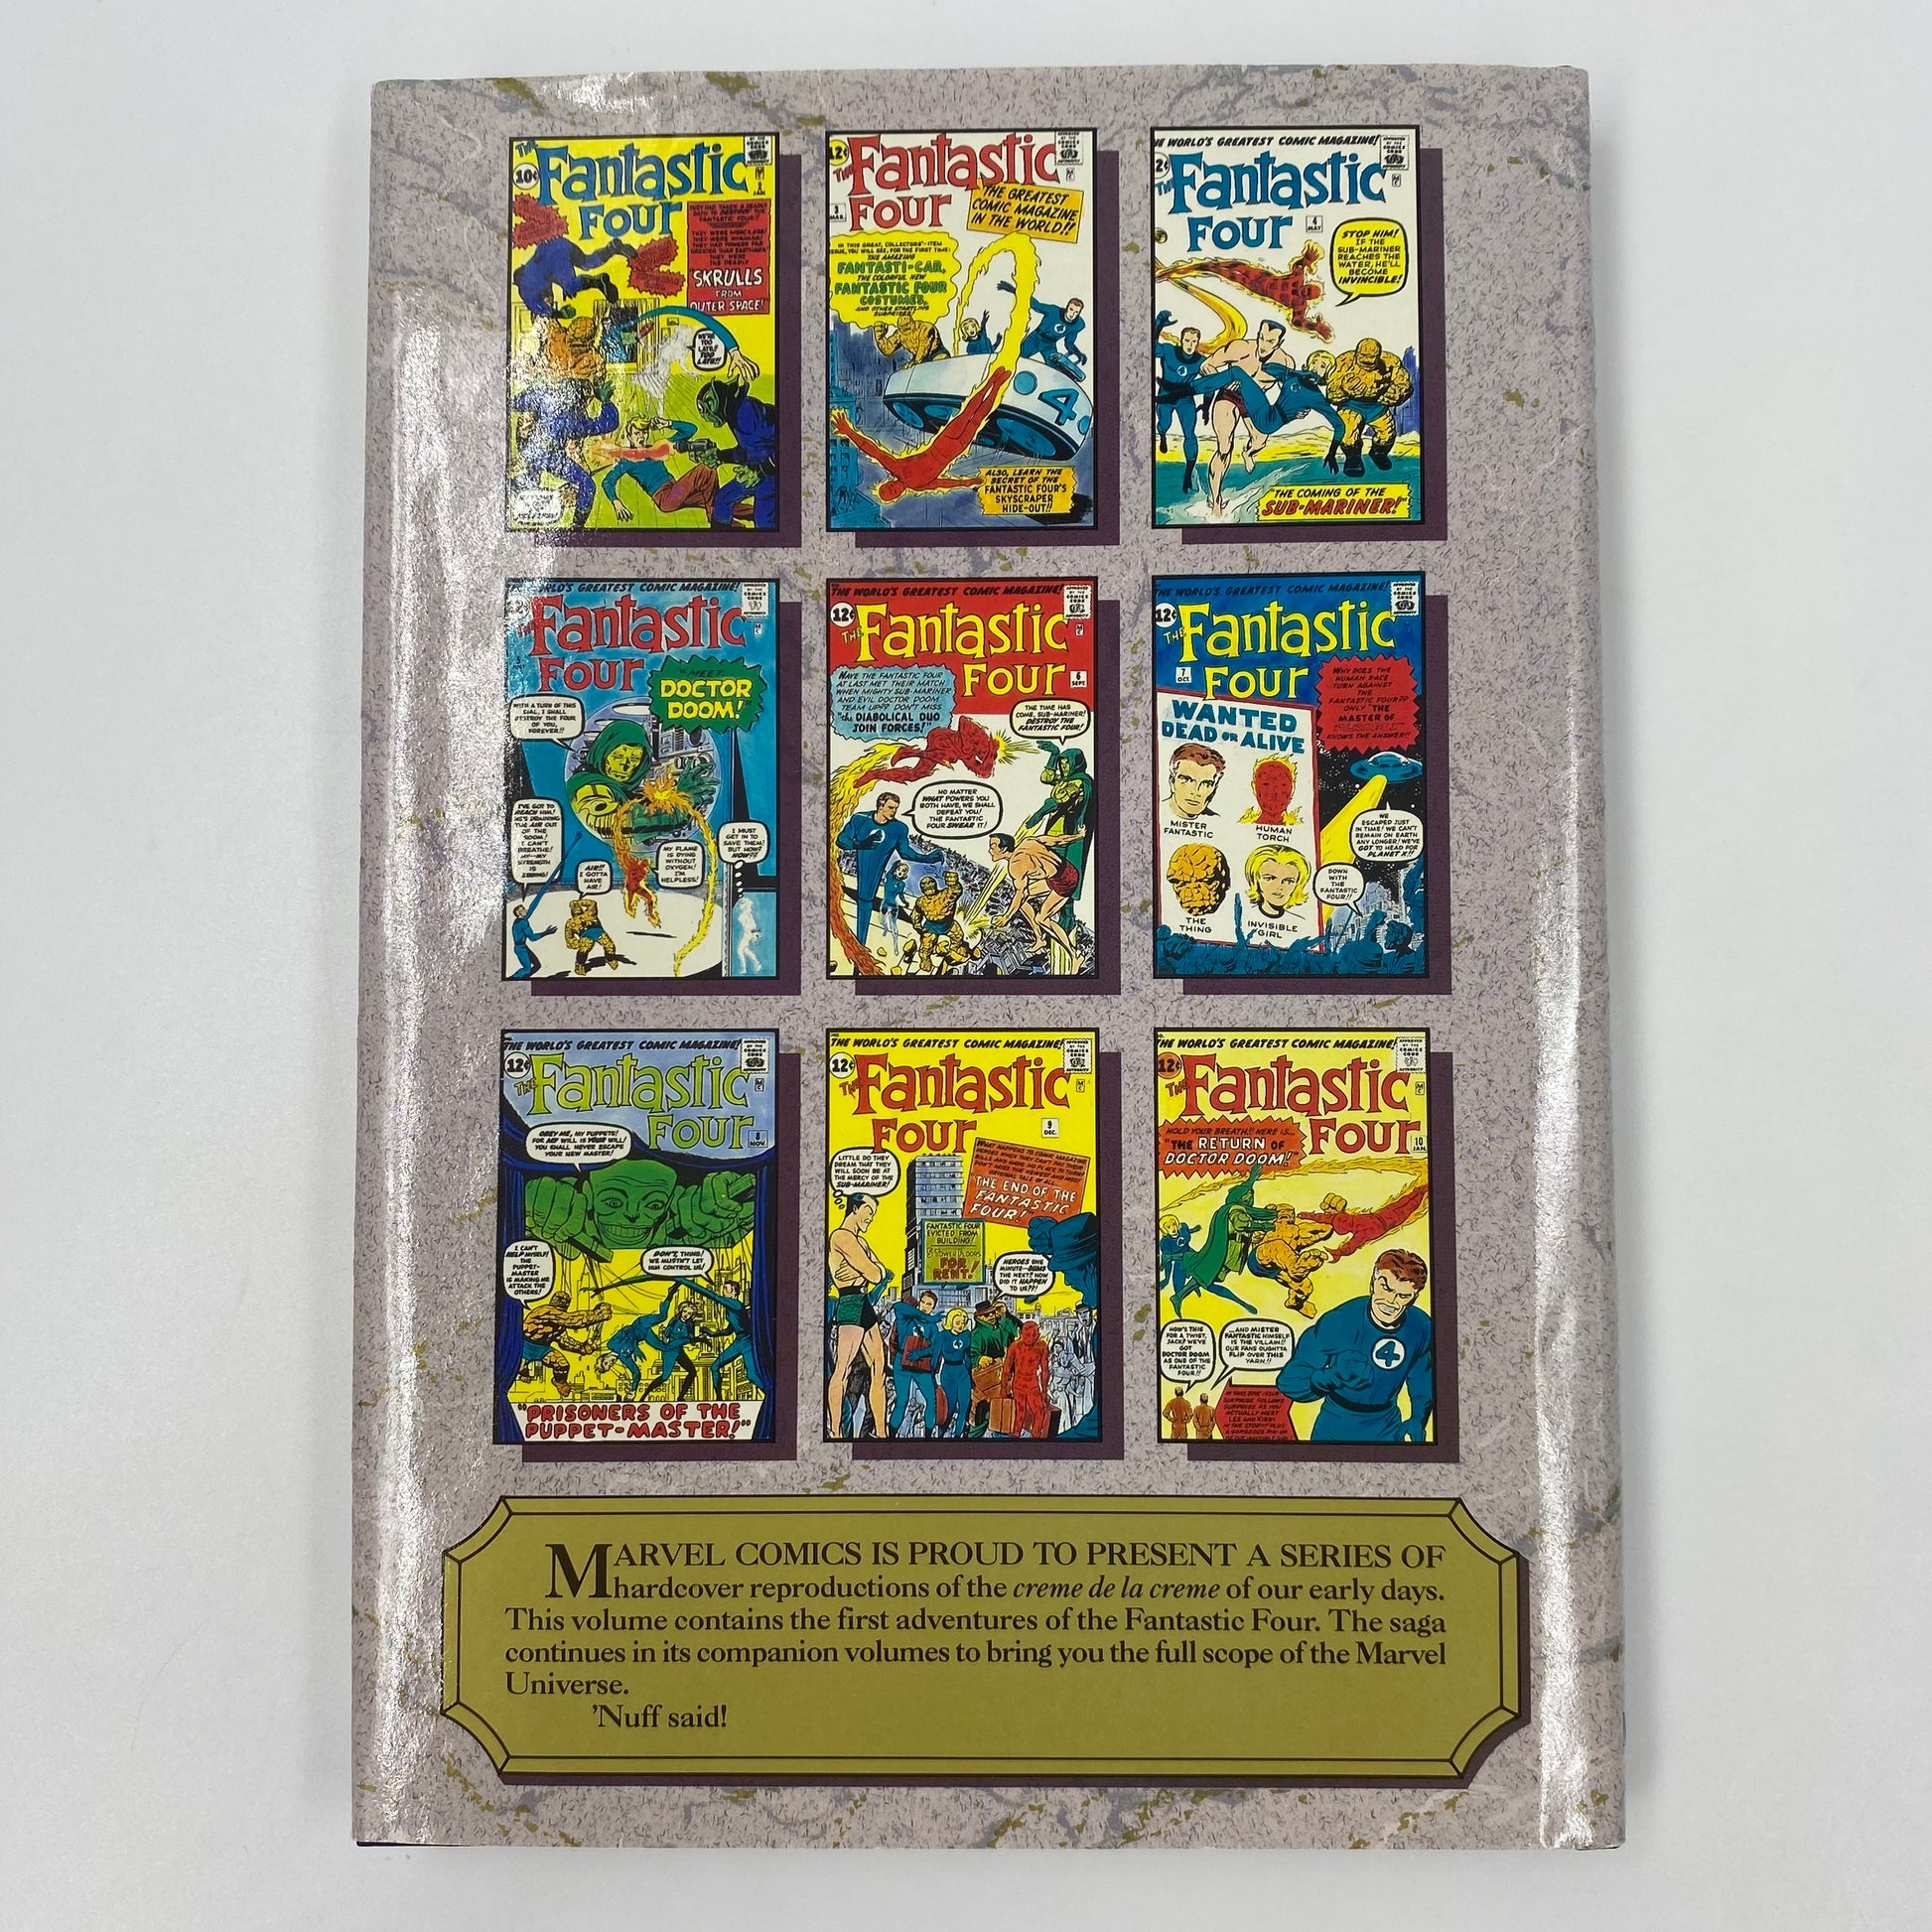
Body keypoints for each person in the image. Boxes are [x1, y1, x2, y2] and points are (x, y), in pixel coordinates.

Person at [1275, 1249, 1433, 1443]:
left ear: (1414, 1296)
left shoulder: (1420, 1326)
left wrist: (1418, 1417)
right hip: (1334, 1426)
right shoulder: (1339, 1321)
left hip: (1387, 1427)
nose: (1390, 1301)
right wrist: (1331, 1376)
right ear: (1373, 1281)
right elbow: (1289, 1381)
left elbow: (1422, 1377)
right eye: (1385, 1287)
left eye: (1402, 1296)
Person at [826, 1194, 891, 1439]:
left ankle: (882, 1432)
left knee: (879, 1366)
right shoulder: (841, 1236)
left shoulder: (859, 1241)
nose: (871, 1218)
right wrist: (871, 1269)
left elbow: (880, 1270)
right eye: (868, 1211)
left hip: (863, 1303)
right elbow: (875, 1273)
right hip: (850, 1302)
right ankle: (835, 1431)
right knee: (843, 1368)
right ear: (855, 1208)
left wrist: (871, 1269)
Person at [835, 793, 935, 948]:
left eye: (896, 808)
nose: (894, 811)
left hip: (873, 881)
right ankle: (860, 947)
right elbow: (841, 840)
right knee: (864, 903)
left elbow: (905, 852)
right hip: (863, 875)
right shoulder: (860, 819)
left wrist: (928, 858)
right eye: (891, 807)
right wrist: (860, 844)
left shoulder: (899, 829)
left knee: (866, 903)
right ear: (880, 806)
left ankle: (860, 947)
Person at [1323, 338, 1415, 476]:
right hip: (1351, 405)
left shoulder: (1391, 362)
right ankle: (1353, 459)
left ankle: (1378, 454)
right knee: (1347, 433)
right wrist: (1345, 390)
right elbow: (1332, 392)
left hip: (1377, 406)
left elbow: (1404, 384)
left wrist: (1395, 394)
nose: (1367, 361)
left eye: (1371, 357)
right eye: (1363, 356)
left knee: (1387, 435)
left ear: (1378, 355)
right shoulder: (1344, 362)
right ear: (1357, 354)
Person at [988, 833, 1077, 963]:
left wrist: (1006, 917)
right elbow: (1058, 840)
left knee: (1041, 919)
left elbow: (1019, 893)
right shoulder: (1028, 841)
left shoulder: (1015, 866)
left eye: (992, 847)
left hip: (1065, 882)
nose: (989, 851)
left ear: (1004, 849)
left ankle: (1074, 955)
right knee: (1021, 903)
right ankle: (1039, 939)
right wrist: (1078, 835)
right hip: (1063, 872)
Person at [1154, 312, 1207, 491]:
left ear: (1197, 342)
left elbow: (1209, 382)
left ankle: (1188, 473)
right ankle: (1162, 434)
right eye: (1187, 340)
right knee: (1164, 424)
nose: (1190, 345)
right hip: (1165, 395)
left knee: (1190, 434)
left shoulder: (1201, 361)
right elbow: (1150, 348)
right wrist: (1158, 325)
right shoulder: (1169, 351)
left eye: (1194, 341)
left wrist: (1206, 406)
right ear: (1181, 340)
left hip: (1185, 399)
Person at [890, 1287, 942, 1437]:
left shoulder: (933, 1327)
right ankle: (891, 1438)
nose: (925, 1306)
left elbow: (934, 1348)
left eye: (929, 1304)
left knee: (931, 1400)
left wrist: (920, 1353)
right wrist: (928, 1317)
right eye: (923, 1302)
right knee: (902, 1401)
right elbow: (897, 1306)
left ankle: (928, 1439)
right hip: (902, 1364)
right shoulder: (907, 1318)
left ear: (933, 1307)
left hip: (921, 1366)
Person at [1245, 846, 1311, 921]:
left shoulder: (1299, 921)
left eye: (1288, 881)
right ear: (1256, 880)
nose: (1279, 887)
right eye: (1269, 878)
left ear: (1297, 884)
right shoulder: (1244, 916)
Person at [508, 885, 558, 979]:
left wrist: (543, 890)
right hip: (520, 948)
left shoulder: (520, 920)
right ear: (519, 913)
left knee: (537, 965)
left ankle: (522, 978)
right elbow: (532, 938)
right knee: (527, 969)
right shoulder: (523, 922)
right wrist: (546, 932)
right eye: (523, 910)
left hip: (523, 947)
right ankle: (513, 979)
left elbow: (532, 907)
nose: (526, 910)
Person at [1165, 745, 1224, 819]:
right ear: (1172, 782)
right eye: (1187, 780)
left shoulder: (1217, 820)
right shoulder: (1156, 812)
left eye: (1206, 784)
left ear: (1214, 788)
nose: (1196, 792)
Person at [564, 896, 620, 975]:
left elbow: (592, 903)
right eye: (574, 908)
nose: (577, 909)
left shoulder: (589, 912)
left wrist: (579, 902)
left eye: (578, 907)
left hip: (599, 932)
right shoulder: (570, 922)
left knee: (610, 946)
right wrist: (574, 943)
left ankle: (610, 959)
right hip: (586, 935)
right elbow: (569, 935)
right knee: (584, 948)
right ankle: (579, 965)